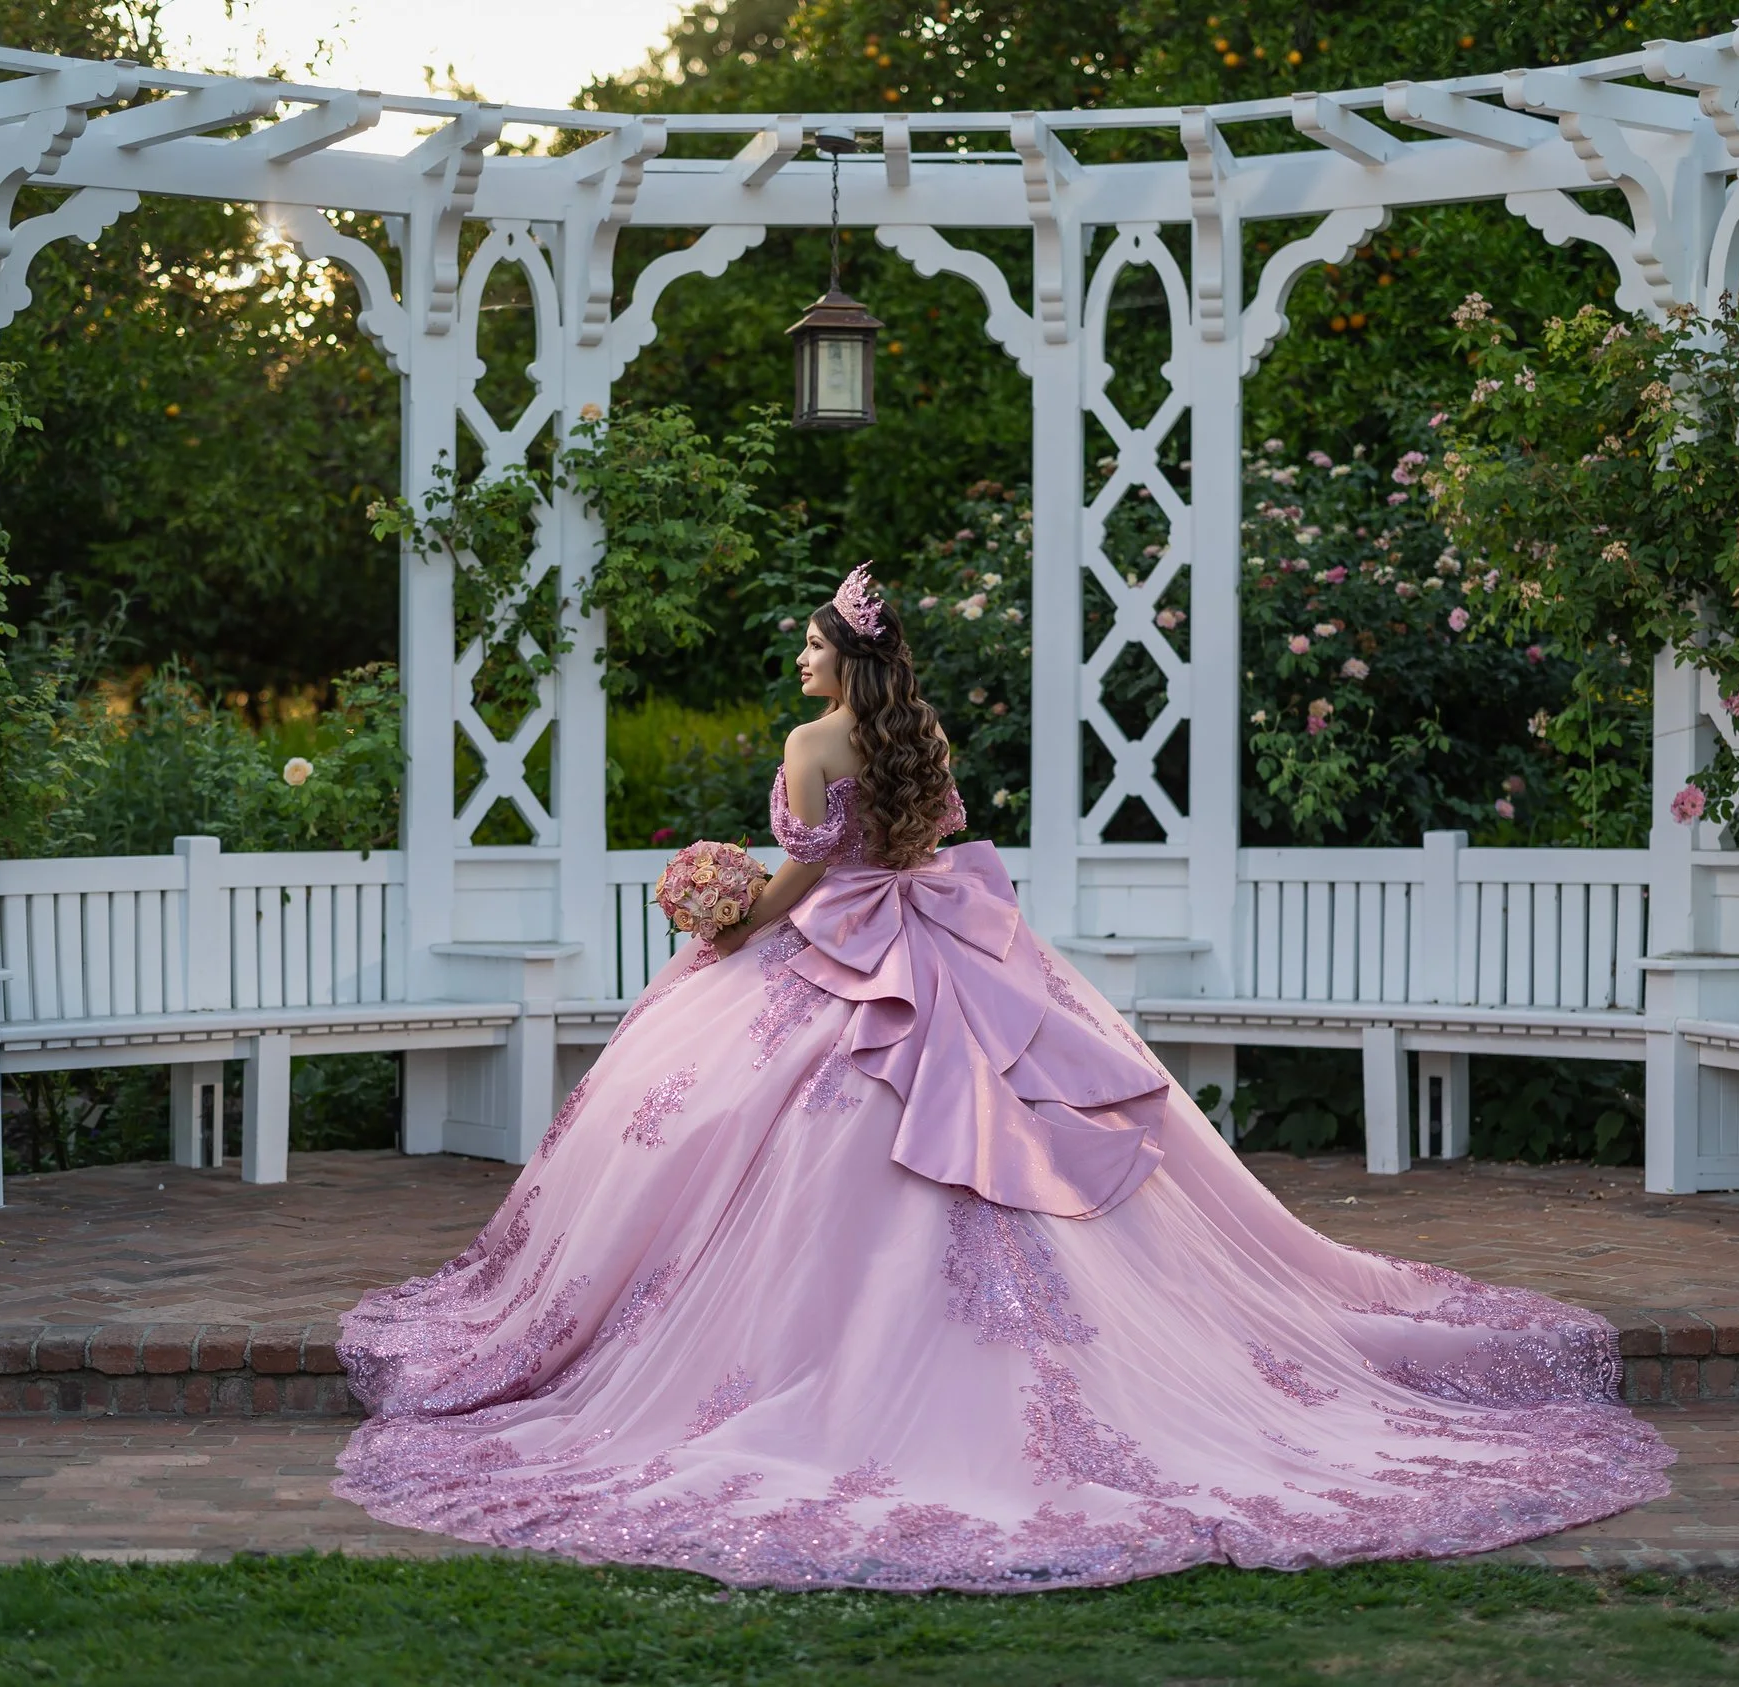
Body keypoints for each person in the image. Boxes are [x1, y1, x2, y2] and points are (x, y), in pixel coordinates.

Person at [333, 564, 1671, 1592]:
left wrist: (725, 916)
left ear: (844, 654)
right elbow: (917, 845)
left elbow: (803, 878)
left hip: (842, 952)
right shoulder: (916, 733)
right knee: (1018, 1111)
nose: (800, 657)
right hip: (943, 942)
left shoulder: (811, 744)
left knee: (748, 1129)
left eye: (812, 642)